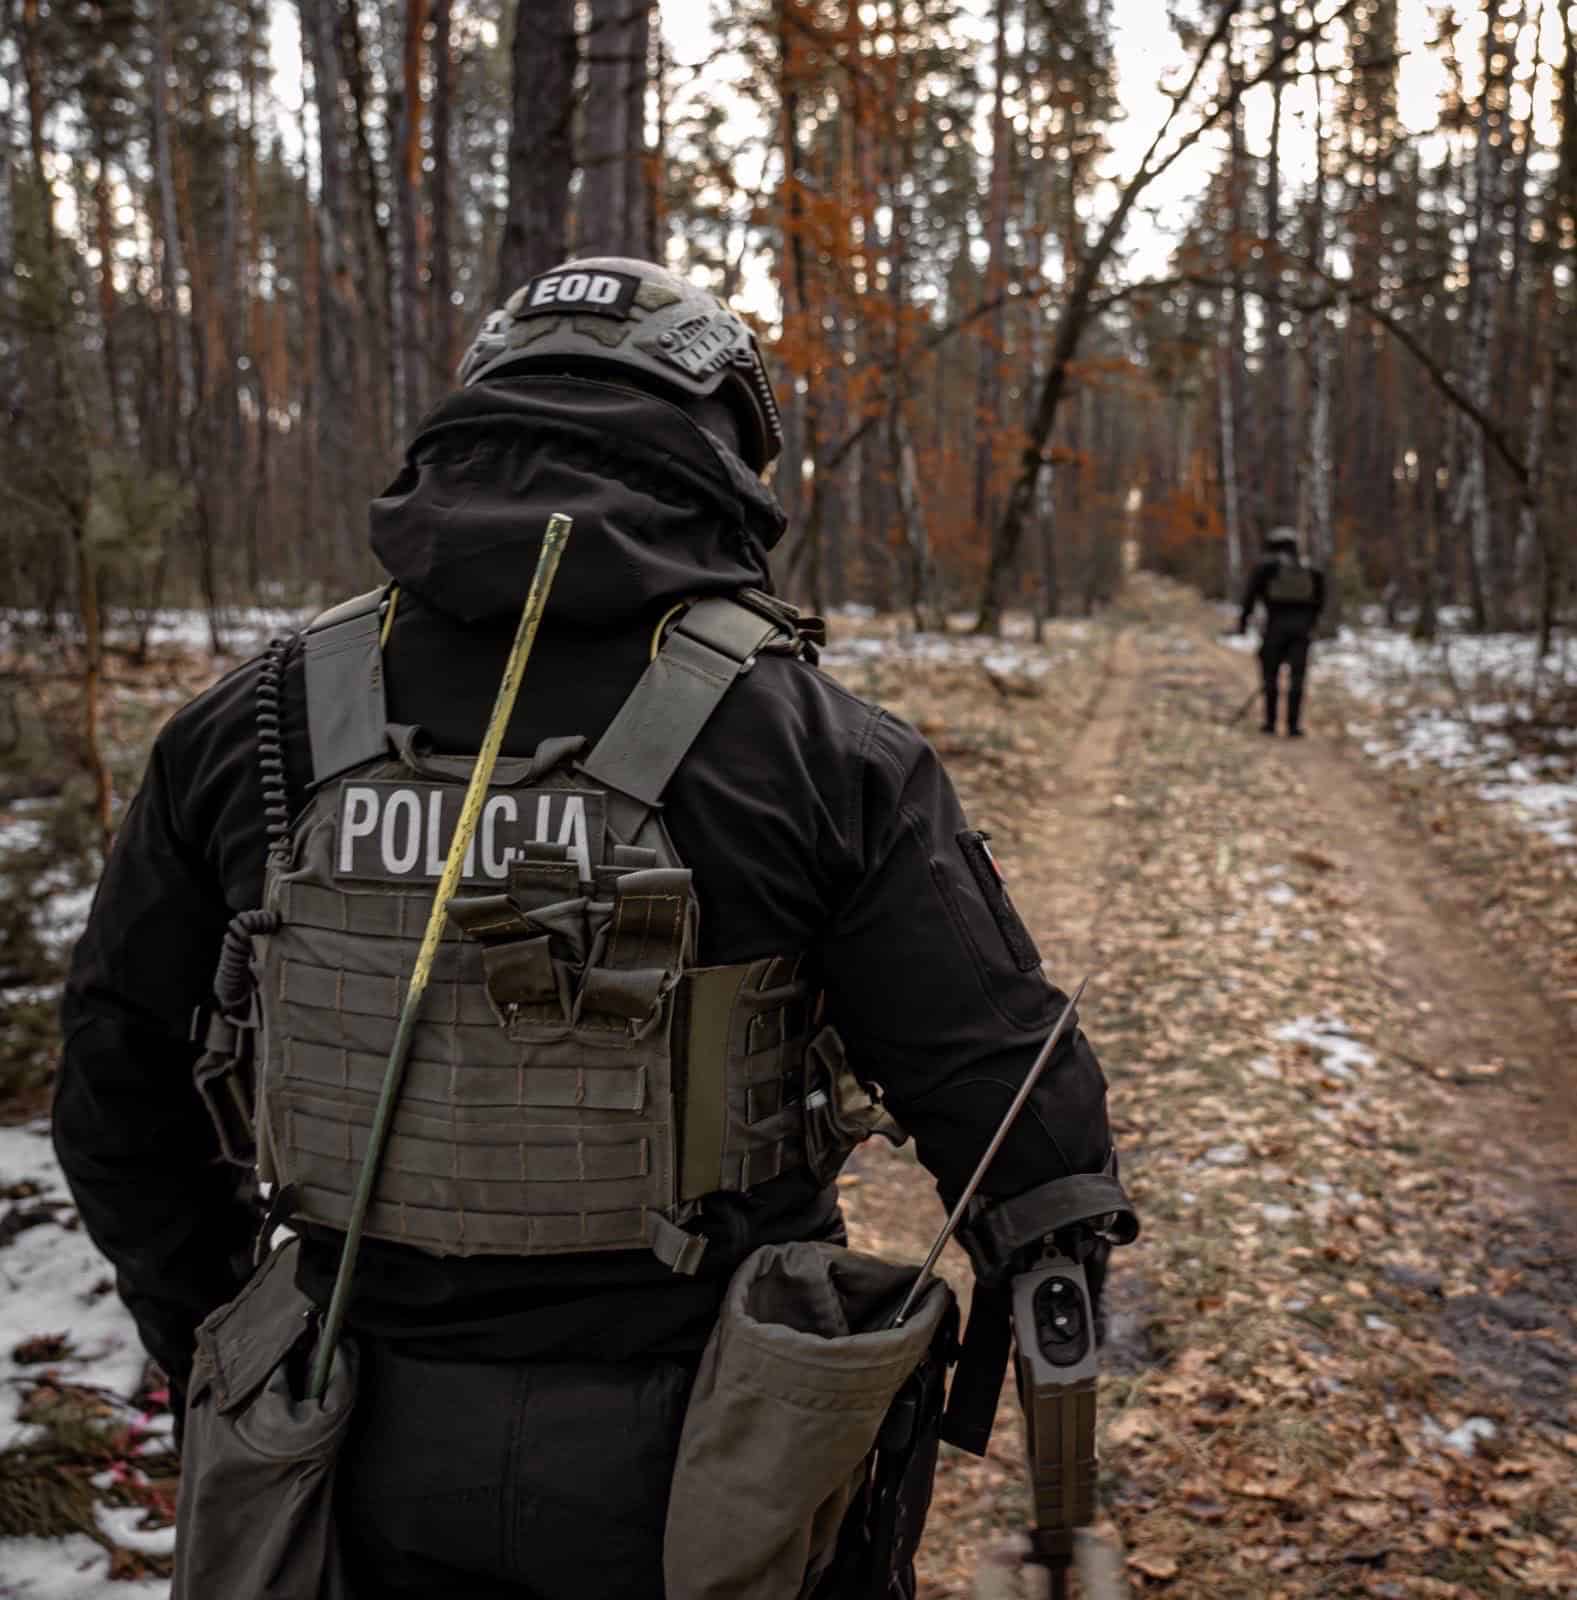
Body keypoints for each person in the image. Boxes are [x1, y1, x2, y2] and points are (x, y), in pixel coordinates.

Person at [54, 257, 1121, 1598]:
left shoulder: (248, 722)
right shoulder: (812, 746)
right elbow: (1019, 1125)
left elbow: (112, 1081)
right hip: (723, 1460)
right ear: (723, 446)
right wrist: (1067, 1490)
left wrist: (219, 1337)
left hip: (339, 1436)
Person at [1238, 525, 1326, 737]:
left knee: (1270, 675)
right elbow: (1320, 600)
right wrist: (1311, 623)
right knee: (1297, 678)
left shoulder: (1267, 568)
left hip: (1275, 628)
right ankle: (1293, 726)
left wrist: (1243, 622)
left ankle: (1270, 723)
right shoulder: (1310, 569)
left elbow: (1250, 597)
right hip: (1302, 630)